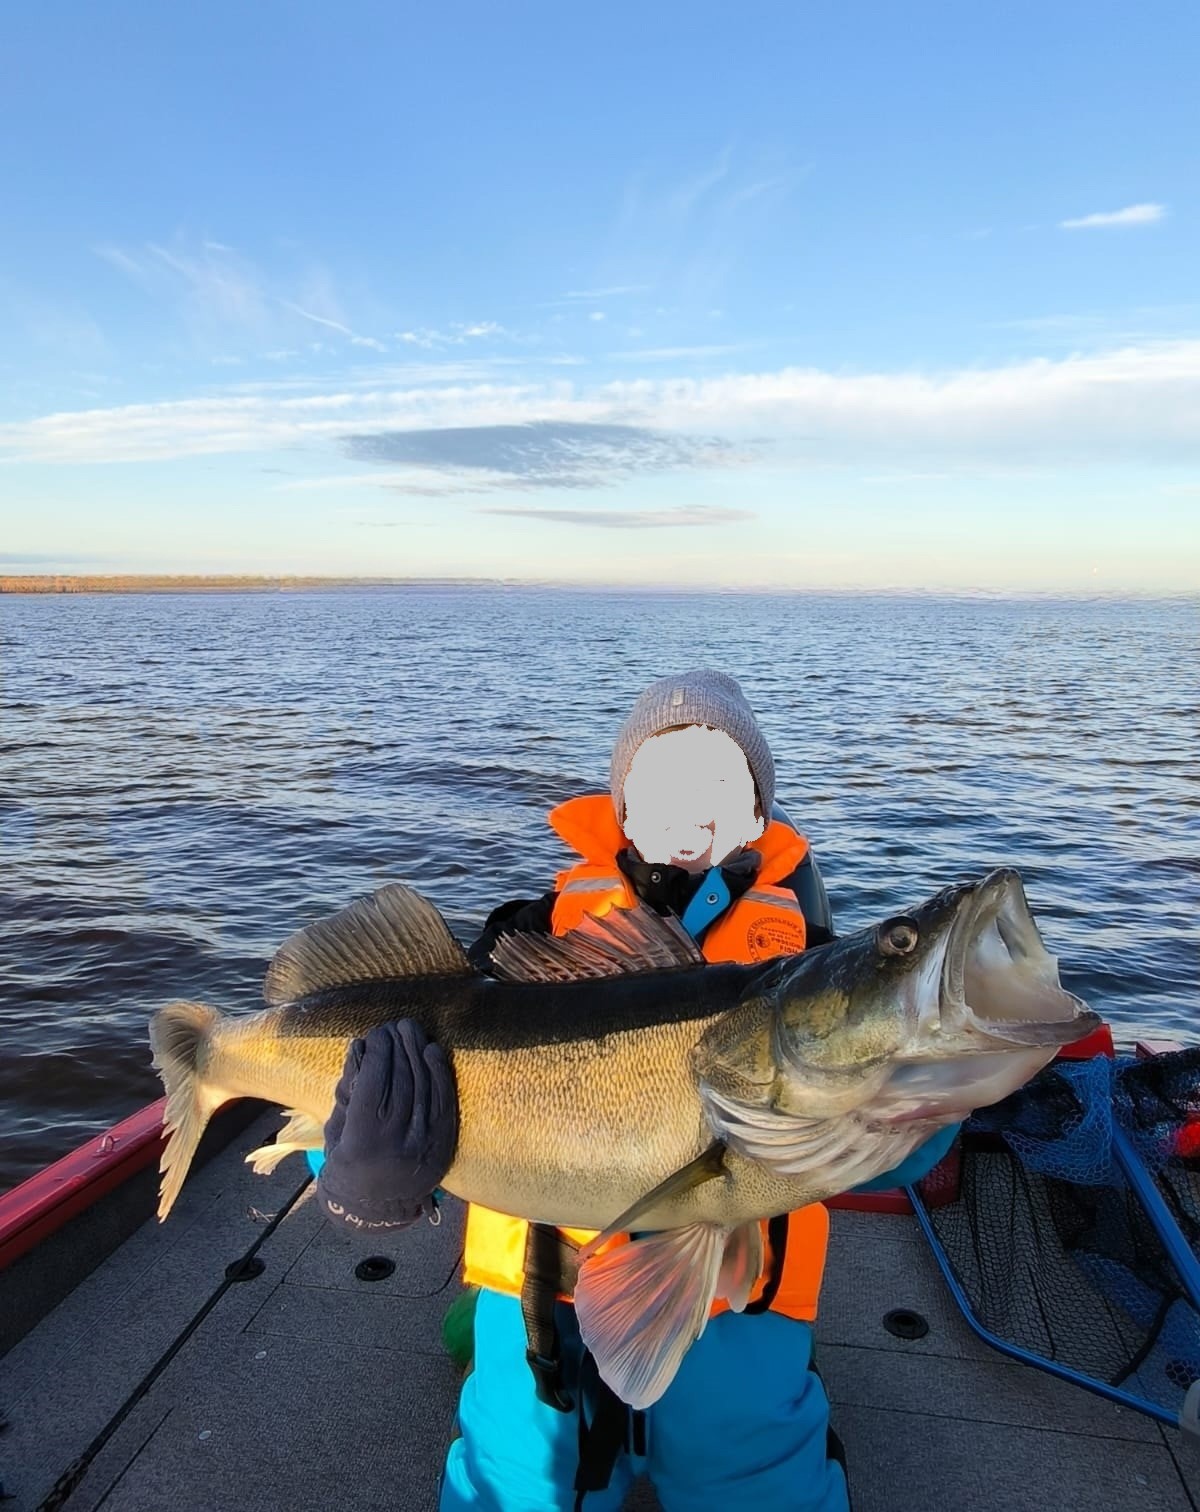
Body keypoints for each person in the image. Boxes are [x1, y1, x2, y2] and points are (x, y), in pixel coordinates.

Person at [317, 670, 958, 1511]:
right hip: (544, 1308)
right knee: (510, 1473)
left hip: (736, 1317)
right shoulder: (528, 945)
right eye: (662, 781)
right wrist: (354, 1170)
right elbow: (375, 1084)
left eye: (720, 781)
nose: (690, 807)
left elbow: (883, 1126)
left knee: (759, 1472)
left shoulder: (809, 966)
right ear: (619, 808)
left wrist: (927, 1112)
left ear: (760, 816)